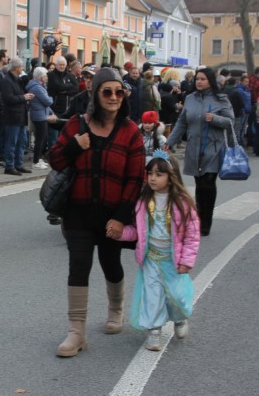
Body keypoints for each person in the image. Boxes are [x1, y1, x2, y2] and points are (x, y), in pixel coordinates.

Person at [48, 67, 145, 358]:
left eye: (119, 92)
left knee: (110, 262)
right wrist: (76, 147)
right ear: (96, 94)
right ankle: (76, 333)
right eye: (107, 91)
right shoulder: (78, 124)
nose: (114, 97)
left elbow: (135, 179)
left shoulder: (130, 132)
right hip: (77, 211)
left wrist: (120, 216)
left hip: (112, 213)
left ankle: (115, 310)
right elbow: (54, 160)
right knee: (78, 265)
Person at [127, 151, 200, 351]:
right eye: (150, 173)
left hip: (173, 261)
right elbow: (138, 231)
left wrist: (187, 260)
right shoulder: (143, 201)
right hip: (151, 259)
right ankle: (154, 332)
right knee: (153, 296)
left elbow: (192, 235)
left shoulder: (182, 203)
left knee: (176, 297)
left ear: (171, 177)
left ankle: (180, 319)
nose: (152, 178)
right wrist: (121, 233)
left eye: (159, 174)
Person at [165, 67, 234, 237]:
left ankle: (205, 223)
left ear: (210, 80)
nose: (199, 81)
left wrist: (215, 119)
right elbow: (182, 123)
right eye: (197, 79)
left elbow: (231, 121)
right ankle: (198, 219)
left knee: (208, 183)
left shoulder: (221, 99)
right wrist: (170, 141)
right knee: (199, 184)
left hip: (213, 147)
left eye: (203, 79)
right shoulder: (189, 98)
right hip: (194, 147)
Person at [1, 57, 33, 176]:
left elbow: (21, 91)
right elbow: (8, 98)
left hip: (21, 116)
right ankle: (9, 166)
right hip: (12, 117)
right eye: (21, 67)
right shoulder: (7, 81)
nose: (23, 69)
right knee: (12, 142)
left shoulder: (17, 80)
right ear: (16, 68)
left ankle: (18, 164)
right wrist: (23, 97)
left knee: (22, 142)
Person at [26, 66, 56, 170]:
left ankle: (38, 158)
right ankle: (36, 161)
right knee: (40, 138)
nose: (47, 77)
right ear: (40, 77)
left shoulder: (40, 86)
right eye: (45, 75)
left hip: (43, 114)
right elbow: (48, 101)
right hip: (39, 116)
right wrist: (51, 98)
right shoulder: (37, 87)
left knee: (44, 137)